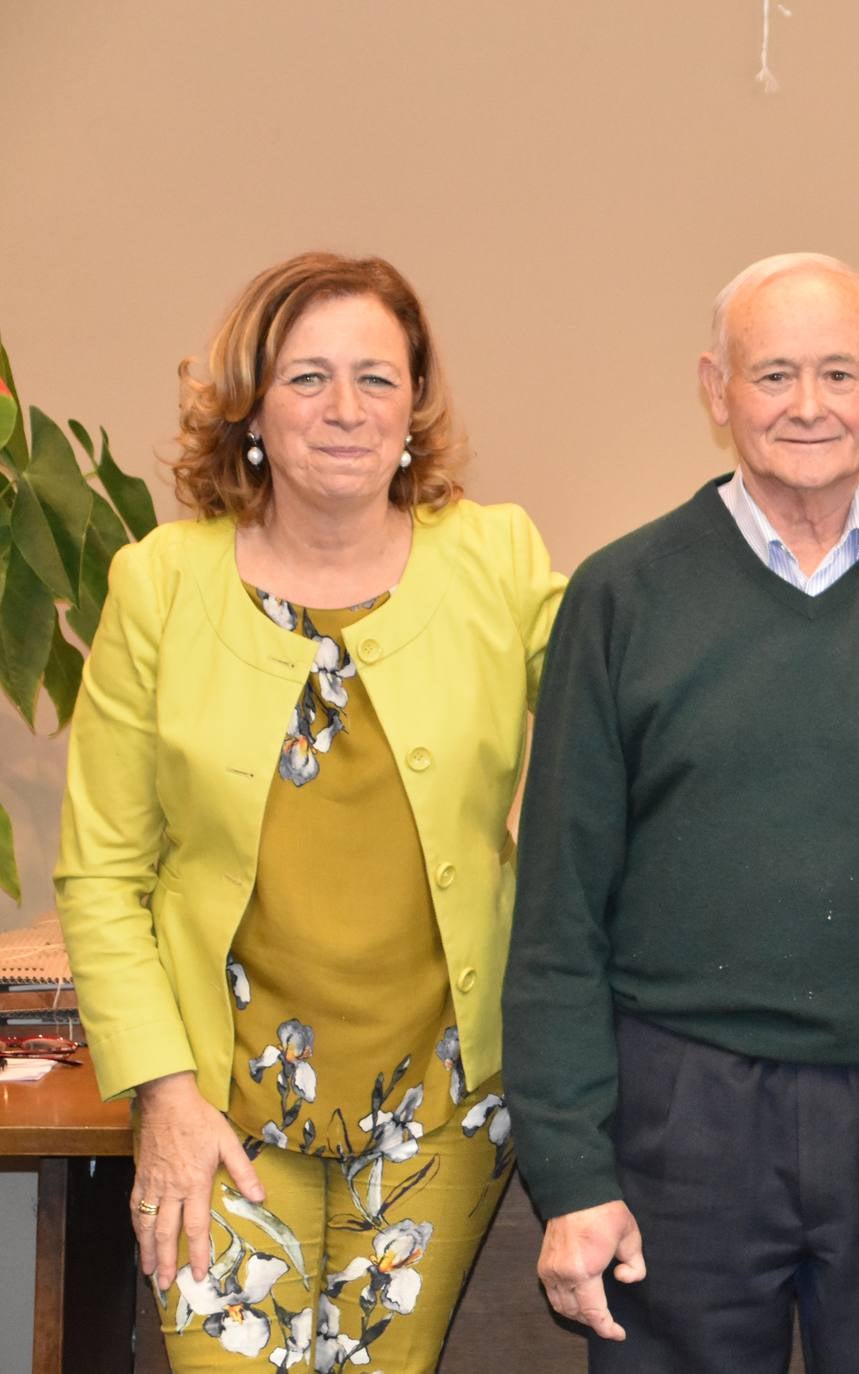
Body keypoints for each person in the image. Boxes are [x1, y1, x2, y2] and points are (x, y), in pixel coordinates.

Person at [501, 252, 859, 1373]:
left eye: (837, 373)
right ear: (716, 391)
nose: (808, 406)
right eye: (772, 376)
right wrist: (572, 1171)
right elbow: (559, 912)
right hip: (684, 1115)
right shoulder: (621, 598)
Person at [55, 252, 564, 1370]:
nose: (346, 411)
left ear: (416, 409)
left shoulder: (498, 559)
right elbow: (103, 874)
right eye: (308, 378)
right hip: (216, 1103)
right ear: (249, 406)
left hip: (441, 1103)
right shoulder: (161, 584)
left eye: (378, 380)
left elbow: (630, 740)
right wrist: (163, 1095)